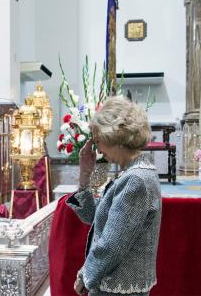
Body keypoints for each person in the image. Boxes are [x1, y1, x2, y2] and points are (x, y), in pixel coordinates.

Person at [68, 96, 161, 296]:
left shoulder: (136, 179)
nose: (98, 148)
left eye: (98, 140)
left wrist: (86, 275)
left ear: (115, 138)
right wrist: (85, 175)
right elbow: (93, 218)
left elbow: (112, 244)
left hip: (117, 288)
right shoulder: (134, 173)